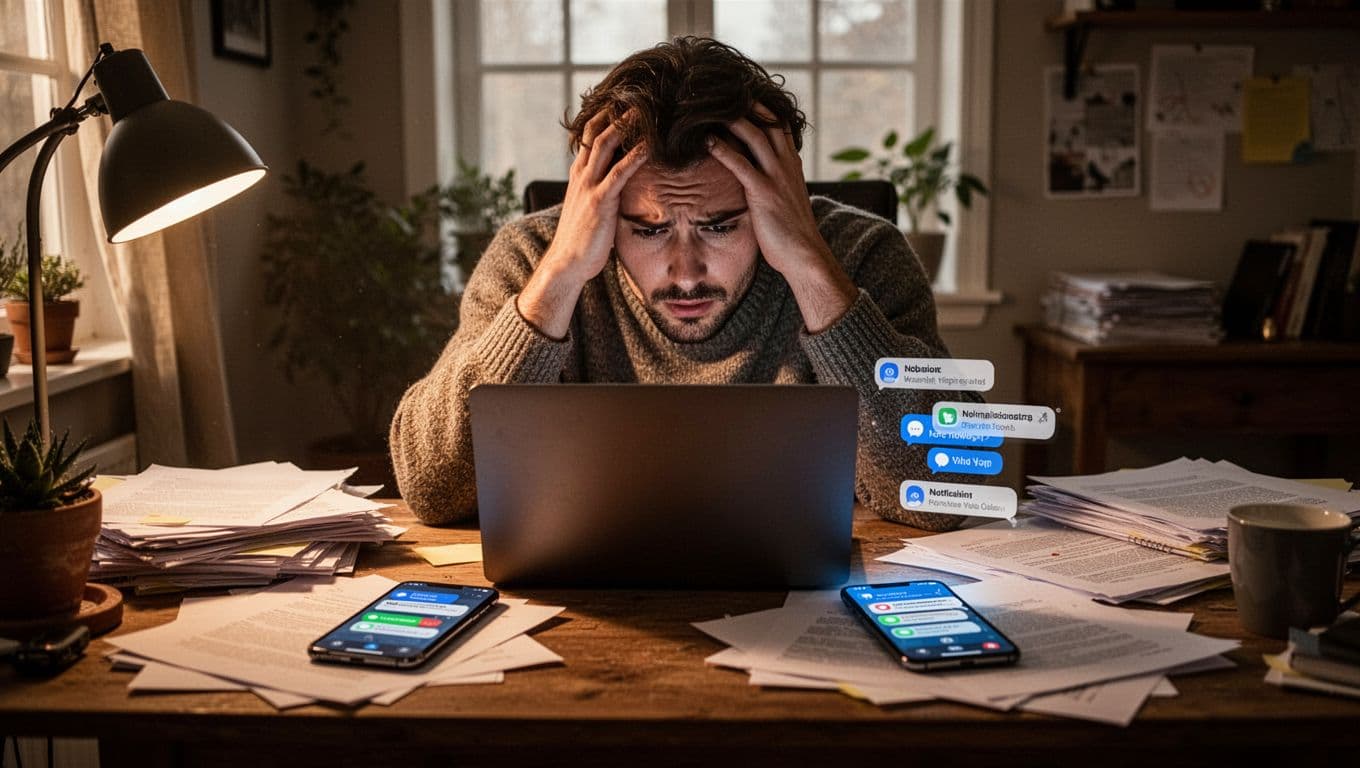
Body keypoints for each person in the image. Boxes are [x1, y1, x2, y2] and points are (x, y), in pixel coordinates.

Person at [390, 36, 982, 531]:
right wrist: (559, 276)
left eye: (720, 224)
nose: (686, 270)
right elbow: (431, 486)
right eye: (647, 230)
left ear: (777, 197)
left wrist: (809, 264)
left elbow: (947, 489)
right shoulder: (531, 259)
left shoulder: (861, 255)